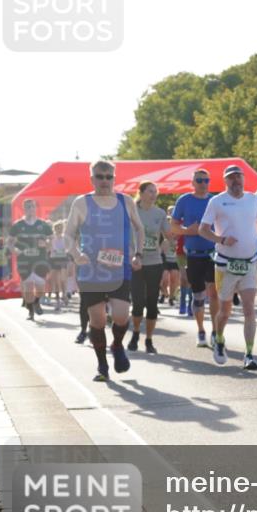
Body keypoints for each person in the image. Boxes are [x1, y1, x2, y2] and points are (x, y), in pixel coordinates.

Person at [64, 160, 145, 381]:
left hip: (120, 268)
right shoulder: (82, 203)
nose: (104, 181)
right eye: (100, 176)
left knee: (121, 315)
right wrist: (76, 254)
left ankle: (117, 344)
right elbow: (68, 234)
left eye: (109, 177)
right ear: (92, 179)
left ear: (114, 178)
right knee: (98, 320)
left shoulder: (125, 201)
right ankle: (102, 366)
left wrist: (138, 254)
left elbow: (140, 229)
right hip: (91, 271)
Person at [199, 165, 257, 369]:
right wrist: (221, 239)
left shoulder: (253, 199)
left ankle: (249, 354)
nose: (236, 180)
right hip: (225, 264)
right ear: (225, 181)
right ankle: (219, 338)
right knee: (225, 311)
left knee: (249, 309)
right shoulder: (217, 201)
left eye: (238, 176)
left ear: (243, 179)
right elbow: (203, 230)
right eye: (231, 177)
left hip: (249, 262)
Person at [172, 169, 219, 348]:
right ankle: (201, 330)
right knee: (198, 295)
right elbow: (173, 226)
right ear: (192, 183)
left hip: (213, 253)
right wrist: (187, 231)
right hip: (193, 254)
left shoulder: (215, 200)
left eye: (206, 180)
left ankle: (215, 331)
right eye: (199, 180)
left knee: (213, 293)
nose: (203, 183)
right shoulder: (184, 200)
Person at [128, 181, 171, 354]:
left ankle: (149, 340)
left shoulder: (160, 213)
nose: (154, 194)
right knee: (138, 302)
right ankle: (135, 334)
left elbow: (169, 235)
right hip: (136, 263)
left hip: (154, 262)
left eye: (155, 191)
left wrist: (166, 243)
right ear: (141, 193)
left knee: (152, 303)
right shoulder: (131, 211)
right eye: (150, 191)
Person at [8, 199, 53, 320]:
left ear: (35, 208)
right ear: (24, 209)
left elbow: (51, 240)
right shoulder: (17, 225)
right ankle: (31, 311)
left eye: (32, 206)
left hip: (40, 261)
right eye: (28, 207)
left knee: (40, 289)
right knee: (28, 288)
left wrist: (47, 244)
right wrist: (15, 250)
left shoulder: (43, 224)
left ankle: (36, 301)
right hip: (24, 261)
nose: (30, 209)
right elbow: (10, 242)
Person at [160, 205, 182, 308]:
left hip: (175, 259)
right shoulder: (164, 234)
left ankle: (171, 297)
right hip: (165, 259)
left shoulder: (179, 231)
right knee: (164, 280)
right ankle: (164, 293)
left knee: (174, 279)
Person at [47, 220, 70, 311]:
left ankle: (64, 295)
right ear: (54, 229)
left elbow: (69, 248)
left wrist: (65, 250)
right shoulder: (51, 238)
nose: (59, 230)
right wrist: (49, 247)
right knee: (55, 281)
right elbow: (48, 249)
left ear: (63, 228)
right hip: (54, 259)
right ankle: (57, 301)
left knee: (62, 279)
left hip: (63, 259)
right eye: (57, 228)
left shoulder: (65, 238)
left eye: (61, 228)